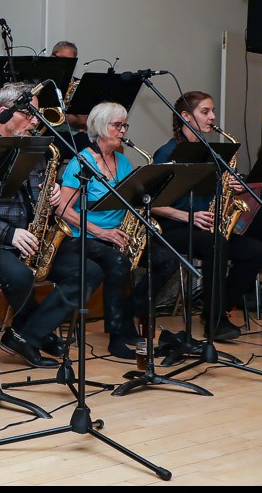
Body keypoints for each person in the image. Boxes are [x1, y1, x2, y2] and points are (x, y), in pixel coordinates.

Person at [0, 82, 74, 368]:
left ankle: (28, 333)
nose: (35, 121)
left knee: (85, 269)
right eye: (28, 113)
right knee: (21, 277)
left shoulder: (37, 151)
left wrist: (53, 194)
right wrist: (8, 233)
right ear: (4, 113)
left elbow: (40, 199)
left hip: (30, 240)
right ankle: (33, 335)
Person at [50, 102, 174, 359]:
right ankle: (117, 336)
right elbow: (62, 209)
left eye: (124, 125)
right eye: (117, 125)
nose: (123, 131)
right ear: (99, 127)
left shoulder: (123, 161)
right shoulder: (81, 162)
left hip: (117, 233)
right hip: (82, 236)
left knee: (166, 260)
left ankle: (127, 313)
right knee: (117, 262)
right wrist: (102, 232)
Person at [152, 91, 262, 340]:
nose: (212, 117)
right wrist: (189, 217)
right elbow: (152, 204)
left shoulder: (213, 153)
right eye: (205, 111)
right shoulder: (167, 153)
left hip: (205, 226)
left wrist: (233, 188)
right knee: (216, 244)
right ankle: (215, 321)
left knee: (256, 251)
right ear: (185, 116)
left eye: (212, 111)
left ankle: (217, 306)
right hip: (173, 228)